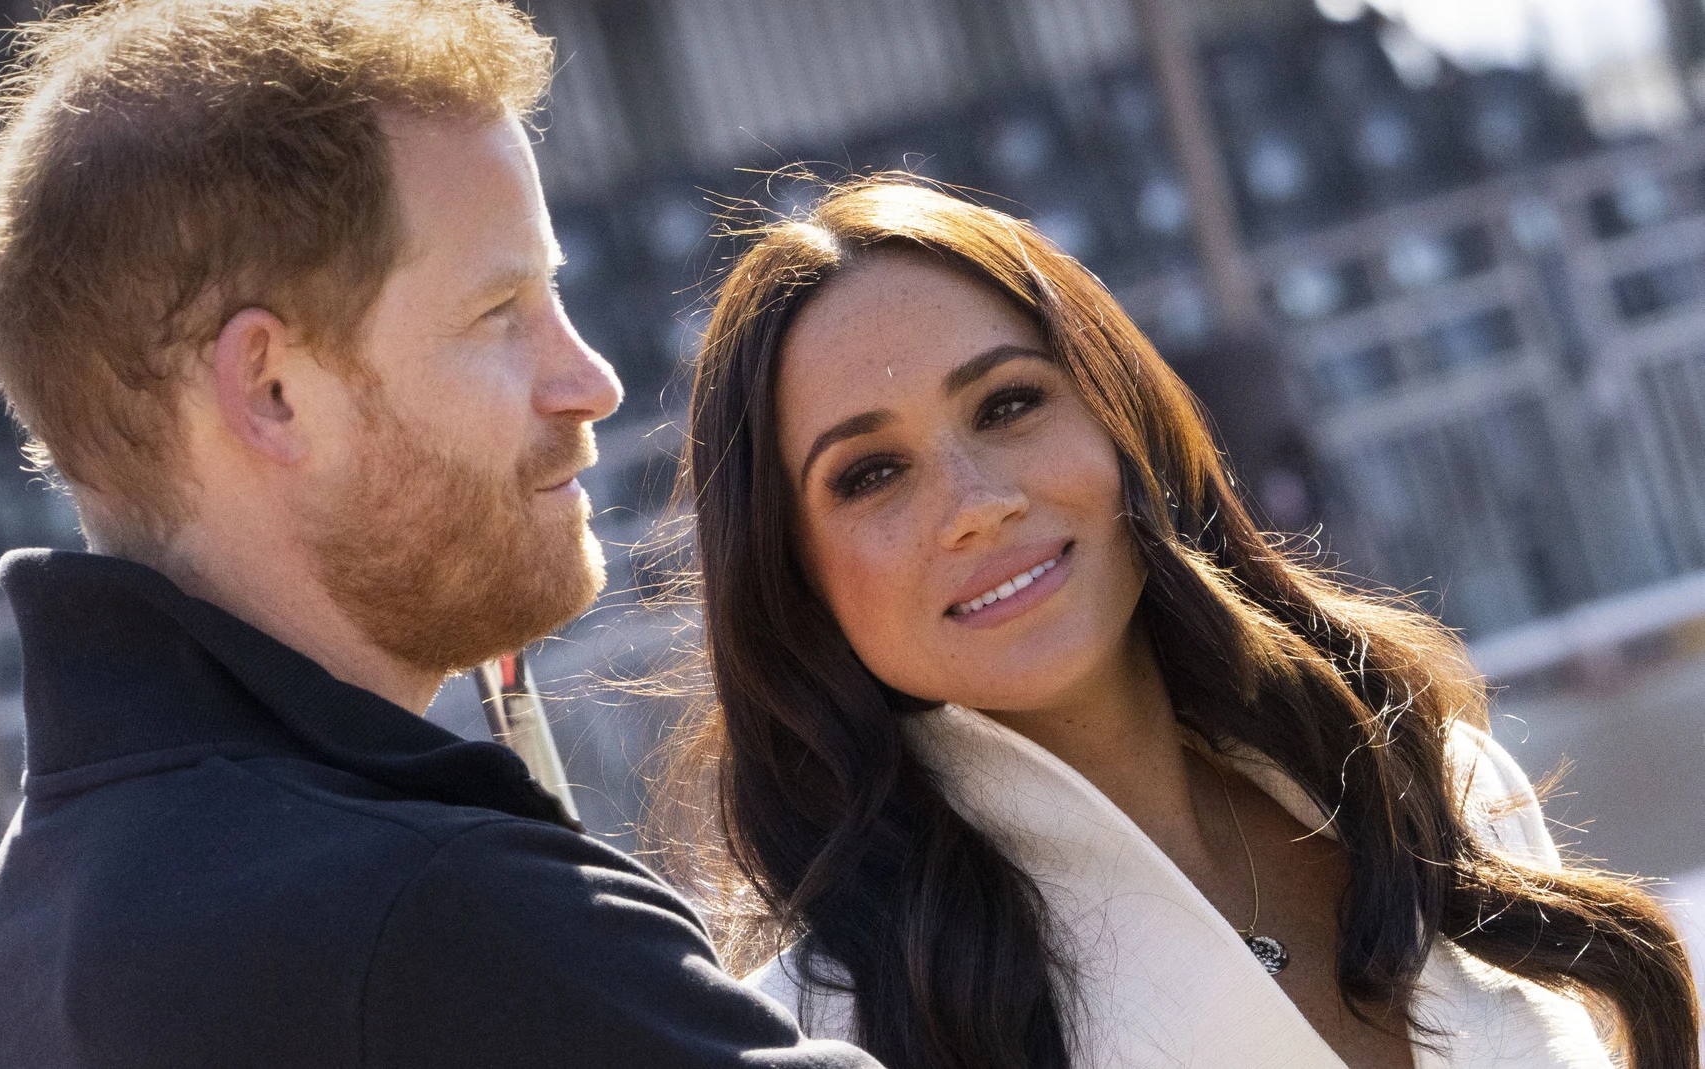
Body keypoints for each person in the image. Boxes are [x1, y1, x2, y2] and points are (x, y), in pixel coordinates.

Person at [0, 2, 885, 1066]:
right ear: (275, 390)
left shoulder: (50, 909)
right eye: (500, 312)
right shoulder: (429, 915)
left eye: (555, 297)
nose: (591, 380)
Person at [657, 177, 1701, 1069]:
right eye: (871, 473)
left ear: (1121, 419)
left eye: (1010, 404)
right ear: (791, 578)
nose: (976, 501)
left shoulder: (1435, 786)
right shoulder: (821, 1027)